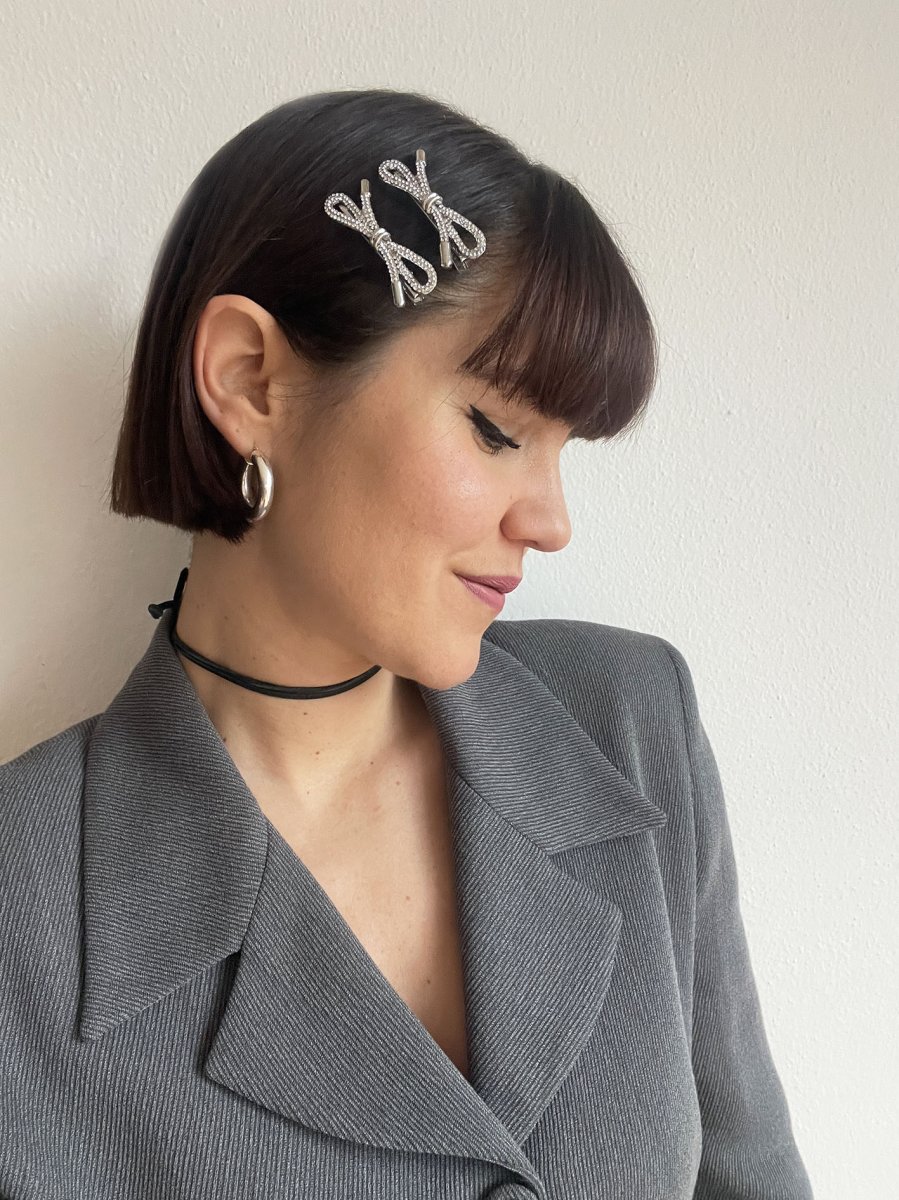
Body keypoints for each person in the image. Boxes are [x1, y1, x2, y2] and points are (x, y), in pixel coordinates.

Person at [0, 87, 814, 1199]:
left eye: (565, 449)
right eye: (496, 427)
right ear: (248, 378)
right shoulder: (25, 903)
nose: (551, 521)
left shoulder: (627, 720)